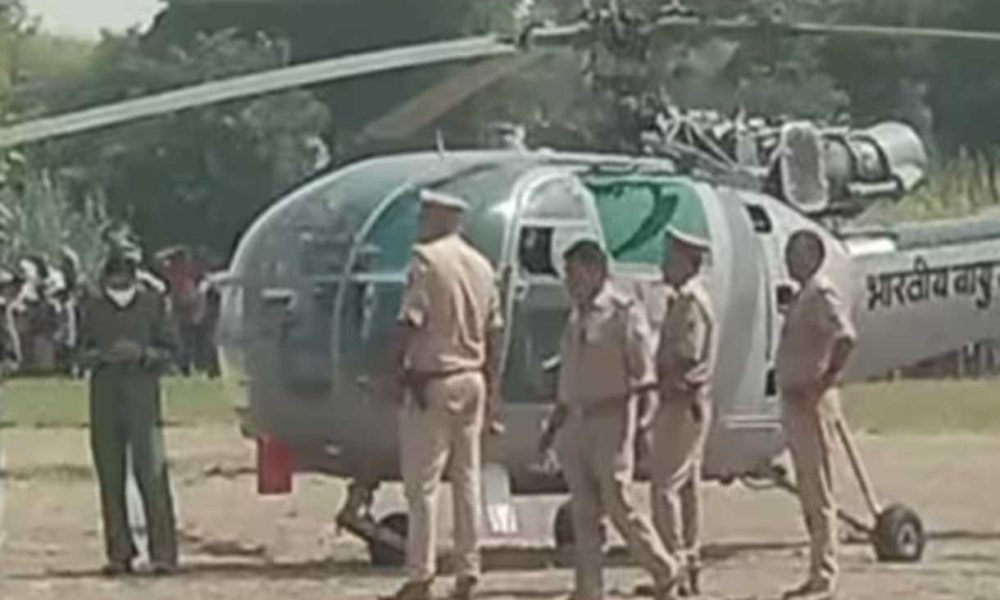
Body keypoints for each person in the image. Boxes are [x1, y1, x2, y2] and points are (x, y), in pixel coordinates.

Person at [539, 238, 682, 600]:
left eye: (575, 273)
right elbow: (569, 378)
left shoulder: (622, 312)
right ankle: (589, 589)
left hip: (612, 419)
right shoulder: (576, 317)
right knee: (584, 512)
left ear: (596, 271)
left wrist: (642, 427)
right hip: (576, 422)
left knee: (620, 504)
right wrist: (554, 427)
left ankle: (664, 569)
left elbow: (644, 376)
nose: (570, 282)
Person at [382, 189, 505, 600]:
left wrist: (392, 368)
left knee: (423, 485)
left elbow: (410, 319)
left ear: (435, 217)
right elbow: (495, 330)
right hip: (474, 378)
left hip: (433, 380)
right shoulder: (483, 266)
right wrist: (494, 384)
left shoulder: (426, 260)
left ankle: (420, 574)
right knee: (467, 478)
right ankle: (469, 569)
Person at [78, 247, 180, 576]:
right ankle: (119, 552)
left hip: (142, 398)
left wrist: (143, 354)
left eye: (126, 277)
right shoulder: (92, 307)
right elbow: (77, 351)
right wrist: (103, 355)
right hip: (104, 397)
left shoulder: (153, 304)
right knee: (110, 476)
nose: (120, 284)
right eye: (114, 278)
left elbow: (172, 351)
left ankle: (163, 553)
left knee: (150, 474)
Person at [777, 230, 856, 600]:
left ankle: (825, 573)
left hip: (812, 402)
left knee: (820, 488)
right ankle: (816, 568)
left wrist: (824, 379)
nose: (788, 259)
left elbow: (845, 337)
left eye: (795, 253)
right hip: (795, 401)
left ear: (812, 256)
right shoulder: (801, 296)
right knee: (808, 488)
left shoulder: (820, 294)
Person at [648, 225, 717, 596]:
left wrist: (657, 378)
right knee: (687, 488)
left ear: (688, 264)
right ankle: (689, 563)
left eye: (670, 259)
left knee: (664, 489)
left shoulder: (690, 303)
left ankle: (672, 564)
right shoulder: (683, 300)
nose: (663, 265)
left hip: (681, 403)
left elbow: (686, 355)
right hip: (687, 403)